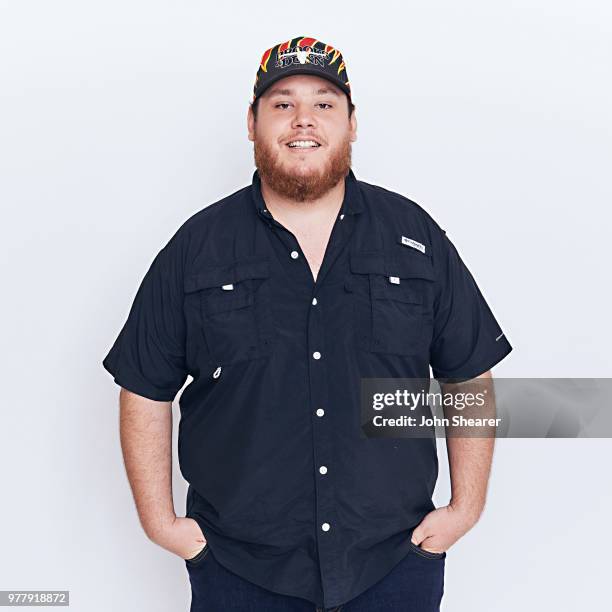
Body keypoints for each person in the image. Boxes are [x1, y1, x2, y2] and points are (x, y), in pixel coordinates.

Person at [102, 35, 513, 612]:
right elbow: (143, 387)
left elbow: (468, 374)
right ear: (252, 122)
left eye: (324, 103)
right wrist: (160, 522)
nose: (303, 120)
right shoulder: (198, 247)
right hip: (238, 568)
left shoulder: (414, 236)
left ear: (351, 122)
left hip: (394, 562)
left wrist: (465, 508)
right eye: (282, 103)